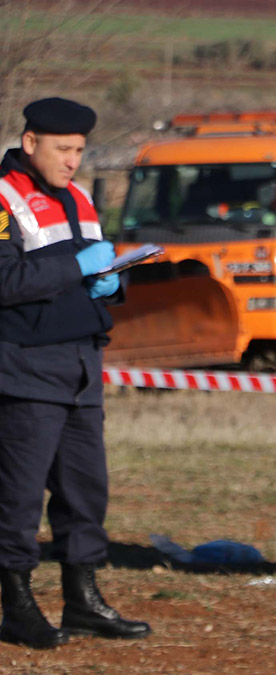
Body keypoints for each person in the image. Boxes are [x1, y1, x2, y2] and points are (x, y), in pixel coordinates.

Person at [0, 97, 151, 648]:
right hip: (24, 365)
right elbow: (4, 281)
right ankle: (16, 606)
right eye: (63, 149)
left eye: (80, 151)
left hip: (83, 362)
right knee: (16, 497)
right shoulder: (1, 197)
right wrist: (74, 267)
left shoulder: (82, 198)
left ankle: (82, 601)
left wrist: (114, 281)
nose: (72, 160)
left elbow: (96, 264)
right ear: (31, 142)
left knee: (85, 492)